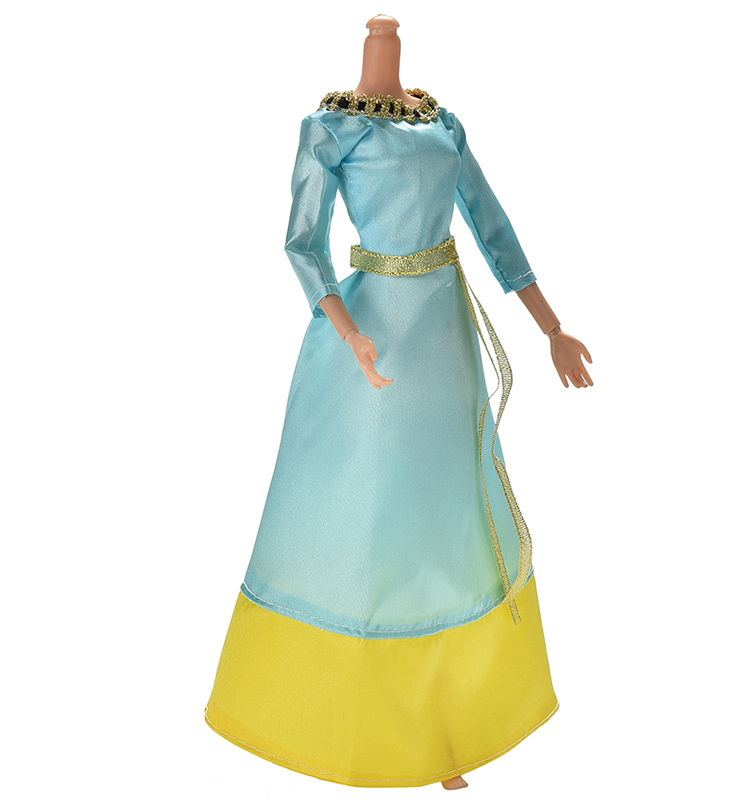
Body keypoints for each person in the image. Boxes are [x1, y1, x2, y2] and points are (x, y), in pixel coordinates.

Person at [205, 14, 593, 791]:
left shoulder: (442, 122)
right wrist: (348, 332)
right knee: (369, 525)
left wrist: (551, 326)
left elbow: (491, 226)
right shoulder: (330, 128)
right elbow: (302, 243)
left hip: (443, 342)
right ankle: (352, 723)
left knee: (448, 522)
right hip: (371, 340)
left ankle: (448, 724)